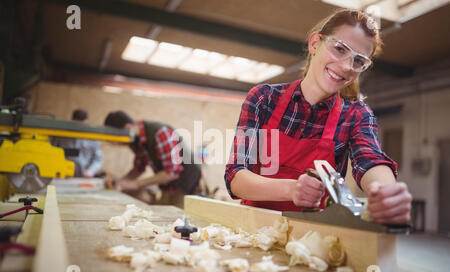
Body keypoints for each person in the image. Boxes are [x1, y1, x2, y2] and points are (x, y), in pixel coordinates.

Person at [225, 9, 412, 225]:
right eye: (340, 49)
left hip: (315, 240)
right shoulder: (263, 98)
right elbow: (236, 177)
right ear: (315, 44)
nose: (345, 66)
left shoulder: (356, 115)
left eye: (358, 61)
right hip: (255, 232)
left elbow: (370, 160)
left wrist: (386, 193)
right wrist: (292, 188)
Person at [104, 111, 202, 208]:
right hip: (169, 187)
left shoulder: (160, 133)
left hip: (187, 185)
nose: (117, 144)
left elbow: (172, 172)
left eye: (117, 140)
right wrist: (121, 182)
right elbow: (139, 168)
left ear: (127, 128)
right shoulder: (137, 140)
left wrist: (136, 184)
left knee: (178, 219)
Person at [52, 109, 103, 178]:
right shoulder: (62, 136)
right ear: (72, 121)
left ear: (86, 122)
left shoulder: (92, 139)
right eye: (76, 124)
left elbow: (98, 159)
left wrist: (91, 171)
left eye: (82, 125)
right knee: (52, 188)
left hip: (83, 177)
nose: (79, 128)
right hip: (62, 176)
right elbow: (52, 152)